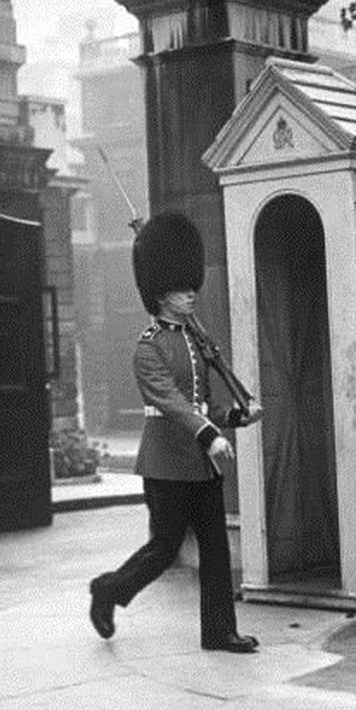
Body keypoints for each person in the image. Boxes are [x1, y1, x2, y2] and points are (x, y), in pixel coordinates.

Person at [88, 212, 263, 653]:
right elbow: (173, 403)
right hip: (167, 462)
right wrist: (210, 436)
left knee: (216, 549)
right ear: (161, 296)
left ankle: (219, 631)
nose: (191, 296)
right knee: (165, 548)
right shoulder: (147, 348)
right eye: (183, 290)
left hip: (200, 465)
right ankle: (109, 590)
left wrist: (238, 418)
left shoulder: (194, 340)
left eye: (191, 288)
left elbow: (202, 402)